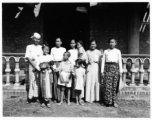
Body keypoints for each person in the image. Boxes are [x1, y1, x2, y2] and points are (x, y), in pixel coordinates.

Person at [101, 38, 123, 107]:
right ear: (108, 43)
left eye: (113, 42)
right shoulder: (105, 51)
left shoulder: (118, 51)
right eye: (110, 42)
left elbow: (120, 61)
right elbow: (103, 62)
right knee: (107, 86)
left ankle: (114, 102)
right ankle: (107, 101)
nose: (111, 44)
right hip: (107, 69)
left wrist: (121, 71)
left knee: (114, 86)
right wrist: (102, 71)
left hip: (115, 69)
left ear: (115, 43)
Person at [25, 32, 43, 103]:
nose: (37, 40)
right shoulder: (29, 46)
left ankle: (36, 97)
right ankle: (30, 97)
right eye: (35, 39)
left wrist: (37, 66)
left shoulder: (41, 47)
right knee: (31, 81)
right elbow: (28, 57)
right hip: (31, 66)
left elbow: (41, 57)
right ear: (33, 39)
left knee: (37, 81)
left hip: (38, 66)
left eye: (38, 39)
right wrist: (33, 64)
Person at [36, 44, 54, 108]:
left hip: (48, 73)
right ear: (43, 49)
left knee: (48, 86)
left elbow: (52, 65)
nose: (47, 50)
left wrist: (52, 69)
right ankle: (43, 101)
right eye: (45, 49)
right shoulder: (40, 57)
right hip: (42, 73)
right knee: (43, 86)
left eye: (48, 49)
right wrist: (41, 69)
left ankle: (48, 101)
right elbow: (37, 65)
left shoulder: (50, 57)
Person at [50, 38, 66, 103]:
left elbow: (64, 58)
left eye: (59, 41)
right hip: (55, 64)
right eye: (56, 41)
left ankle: (62, 97)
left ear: (61, 42)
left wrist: (62, 66)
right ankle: (56, 97)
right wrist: (54, 67)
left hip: (61, 63)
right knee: (55, 81)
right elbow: (51, 58)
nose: (57, 42)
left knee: (62, 80)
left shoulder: (63, 49)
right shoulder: (52, 49)